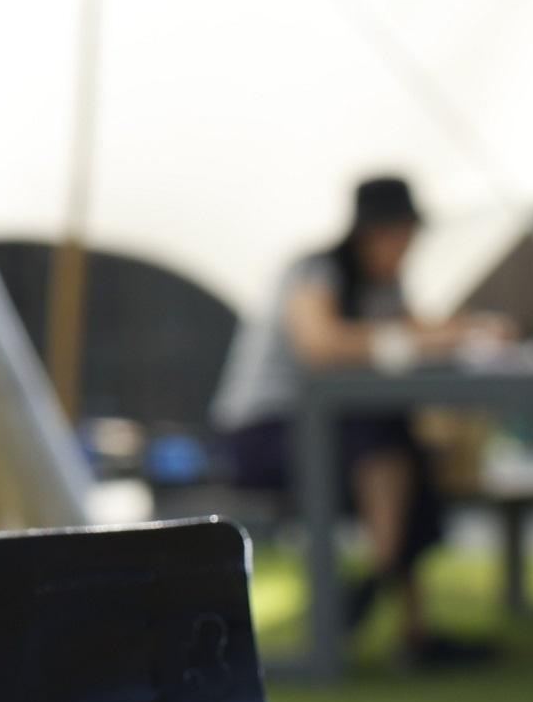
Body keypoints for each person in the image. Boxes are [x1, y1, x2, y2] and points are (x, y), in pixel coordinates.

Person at [211, 173, 508, 667]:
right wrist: (423, 340)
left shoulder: (384, 288)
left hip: (340, 431)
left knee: (407, 449)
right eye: (400, 236)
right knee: (384, 442)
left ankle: (399, 608)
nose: (406, 249)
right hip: (266, 431)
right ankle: (375, 588)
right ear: (373, 233)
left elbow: (415, 331)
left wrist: (465, 331)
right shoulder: (314, 271)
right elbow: (321, 346)